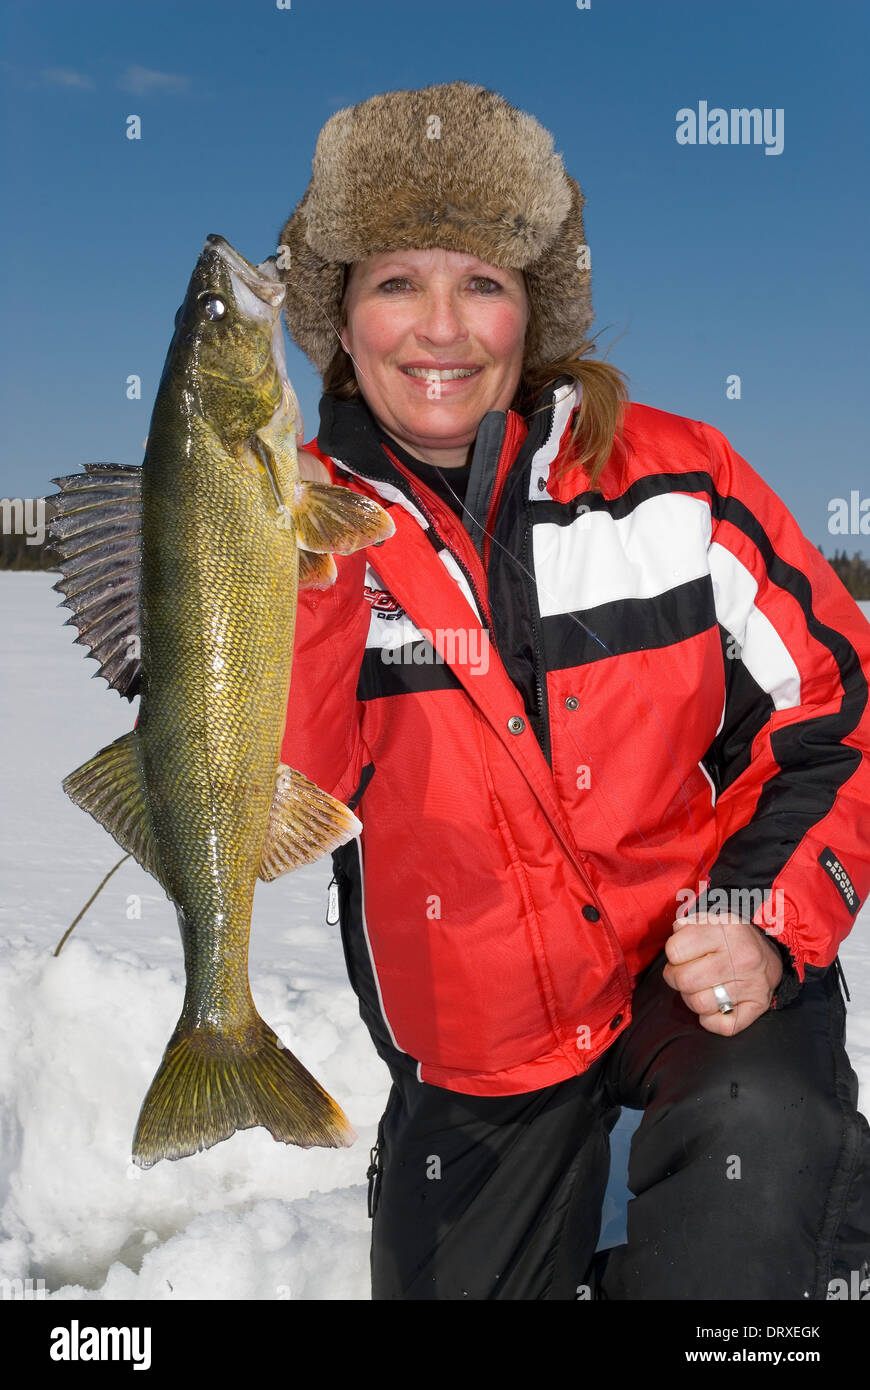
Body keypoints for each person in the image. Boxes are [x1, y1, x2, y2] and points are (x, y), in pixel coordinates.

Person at [275, 81, 870, 1300]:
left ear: (533, 313)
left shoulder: (680, 478)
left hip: (689, 965)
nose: (441, 329)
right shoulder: (286, 526)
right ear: (340, 318)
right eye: (397, 283)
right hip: (477, 1042)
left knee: (765, 1134)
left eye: (482, 282)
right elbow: (285, 788)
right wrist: (300, 570)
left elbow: (841, 706)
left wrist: (762, 913)